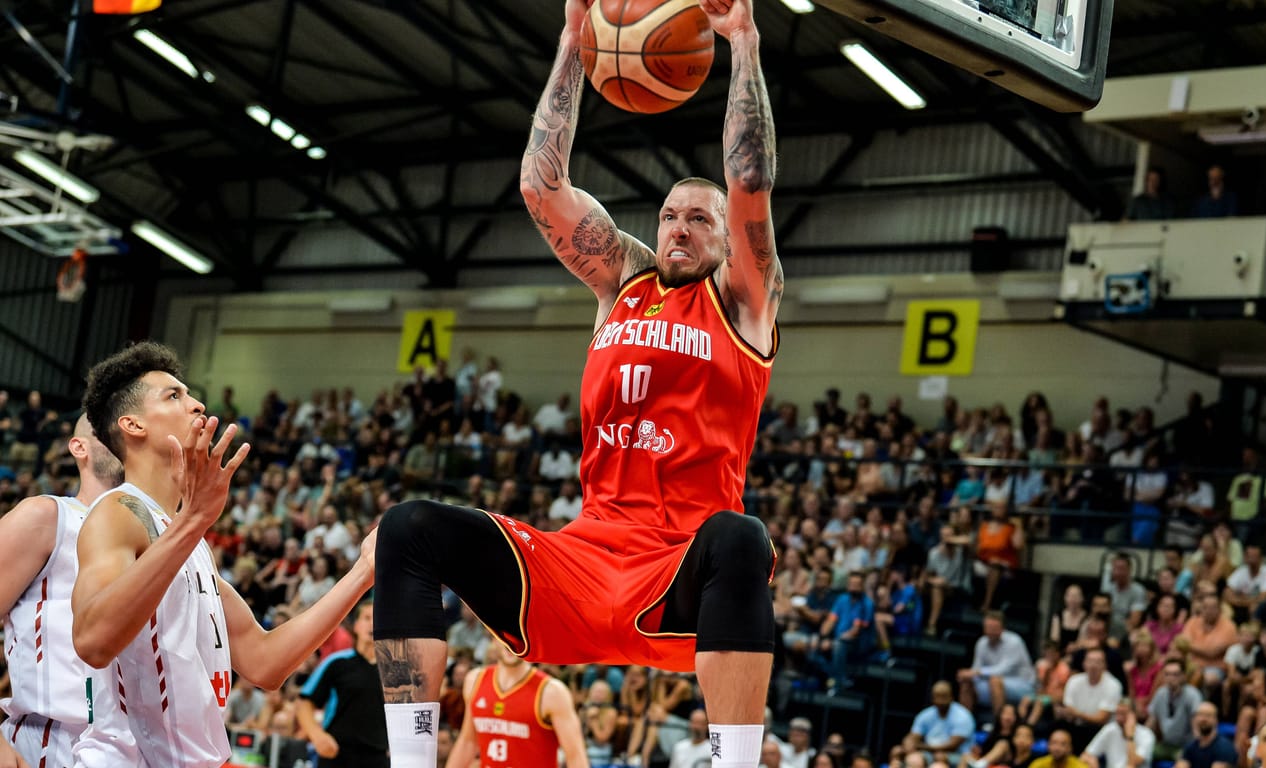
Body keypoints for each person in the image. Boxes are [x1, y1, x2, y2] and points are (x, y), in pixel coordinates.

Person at [373, 5, 783, 766]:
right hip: (582, 560)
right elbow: (540, 183)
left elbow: (750, 178)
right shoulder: (622, 281)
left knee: (741, 536)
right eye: (668, 216)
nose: (679, 229)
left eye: (700, 219)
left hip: (680, 574)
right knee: (410, 528)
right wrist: (571, 44)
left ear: (730, 243)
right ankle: (411, 760)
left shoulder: (743, 302)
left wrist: (744, 45)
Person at [69, 341, 378, 768]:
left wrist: (362, 572)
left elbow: (266, 662)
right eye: (174, 396)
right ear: (133, 424)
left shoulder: (189, 542)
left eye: (190, 393)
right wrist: (193, 520)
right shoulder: (118, 512)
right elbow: (92, 641)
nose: (196, 404)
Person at [0, 415, 123, 768]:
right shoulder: (48, 516)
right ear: (78, 447)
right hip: (53, 742)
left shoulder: (167, 540)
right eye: (108, 426)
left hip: (139, 749)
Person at [449, 642, 588, 768]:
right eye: (504, 635)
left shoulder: (551, 692)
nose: (511, 643)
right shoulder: (475, 680)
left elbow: (575, 756)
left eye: (517, 636)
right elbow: (468, 741)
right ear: (493, 639)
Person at [297, 601, 388, 766]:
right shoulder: (337, 662)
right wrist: (317, 735)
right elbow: (304, 703)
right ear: (356, 626)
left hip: (378, 758)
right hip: (337, 754)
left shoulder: (394, 670)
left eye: (378, 618)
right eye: (367, 618)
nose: (373, 623)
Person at [957, 611, 1035, 715]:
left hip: (1022, 686)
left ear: (1002, 628)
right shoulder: (981, 643)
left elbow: (1003, 670)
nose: (990, 631)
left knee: (995, 680)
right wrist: (968, 675)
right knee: (967, 681)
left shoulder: (1014, 642)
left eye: (994, 628)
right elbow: (976, 669)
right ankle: (965, 723)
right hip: (992, 683)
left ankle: (997, 725)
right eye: (988, 627)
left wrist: (976, 673)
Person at [907, 681, 977, 765]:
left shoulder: (963, 716)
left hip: (959, 756)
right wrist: (909, 744)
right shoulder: (925, 714)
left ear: (951, 697)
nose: (940, 700)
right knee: (913, 759)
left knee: (939, 761)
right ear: (932, 698)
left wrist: (920, 746)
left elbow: (952, 746)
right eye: (937, 696)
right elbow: (913, 737)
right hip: (930, 753)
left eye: (944, 696)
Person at [1080, 698, 1154, 768]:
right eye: (1117, 713)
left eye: (1123, 714)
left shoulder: (1147, 735)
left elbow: (1133, 763)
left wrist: (1130, 737)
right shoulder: (1110, 729)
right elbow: (1086, 755)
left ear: (1134, 715)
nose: (1118, 718)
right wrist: (1091, 760)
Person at [1173, 703, 1236, 768]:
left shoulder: (1224, 747)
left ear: (1216, 720)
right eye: (1200, 715)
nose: (1203, 719)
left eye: (1208, 715)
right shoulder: (1191, 746)